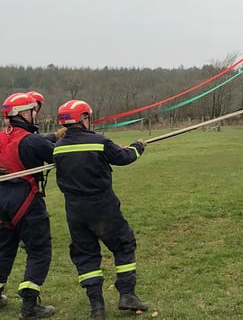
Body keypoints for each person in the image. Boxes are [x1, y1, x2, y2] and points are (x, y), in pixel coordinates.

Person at [53, 100, 148, 320]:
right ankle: (127, 294)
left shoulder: (58, 147)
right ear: (83, 119)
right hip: (102, 206)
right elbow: (124, 157)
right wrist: (138, 146)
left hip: (74, 210)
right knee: (124, 244)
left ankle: (97, 307)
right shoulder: (99, 141)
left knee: (86, 256)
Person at [0, 93, 56, 319]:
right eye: (32, 111)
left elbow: (40, 142)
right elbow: (56, 153)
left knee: (4, 249)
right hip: (25, 200)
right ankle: (30, 304)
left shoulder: (3, 137)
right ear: (24, 113)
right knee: (39, 250)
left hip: (1, 201)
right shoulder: (31, 140)